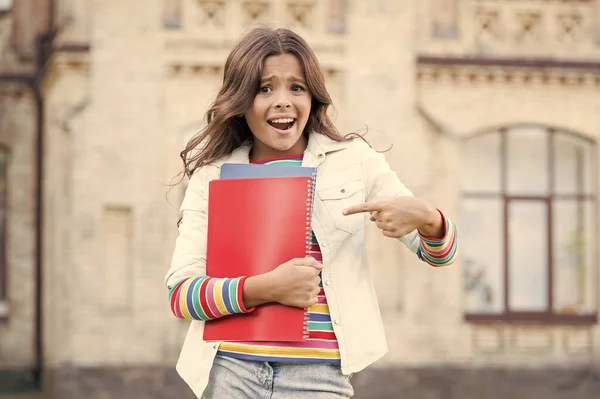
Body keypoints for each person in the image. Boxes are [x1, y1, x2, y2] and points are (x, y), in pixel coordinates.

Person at [165, 27, 458, 399]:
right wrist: (263, 289)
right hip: (229, 373)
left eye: (296, 88)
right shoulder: (212, 176)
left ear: (313, 97)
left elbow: (440, 254)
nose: (283, 101)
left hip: (318, 377)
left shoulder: (355, 162)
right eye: (265, 88)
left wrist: (429, 218)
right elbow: (181, 295)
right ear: (241, 99)